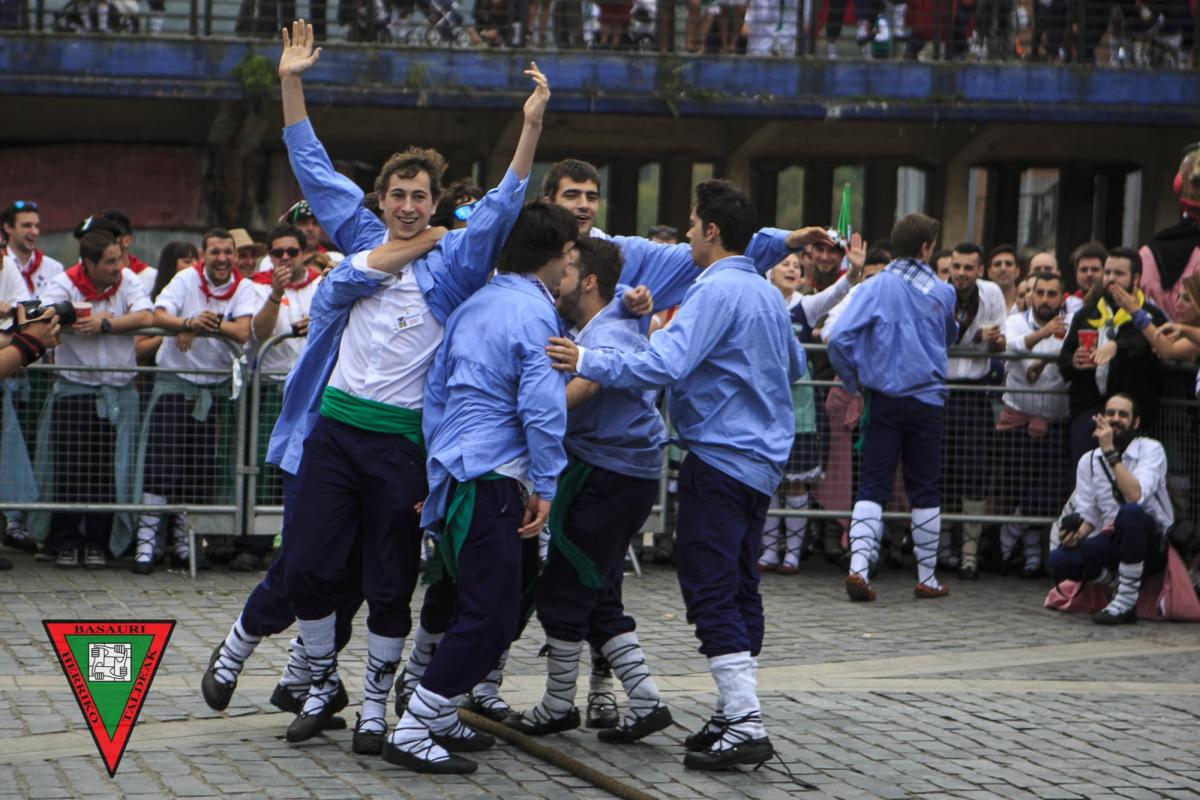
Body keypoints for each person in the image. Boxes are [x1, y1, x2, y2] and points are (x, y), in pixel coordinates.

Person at [261, 20, 550, 754]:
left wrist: (530, 127)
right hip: (333, 431)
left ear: (434, 201)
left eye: (421, 196)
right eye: (398, 195)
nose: (409, 206)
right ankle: (319, 678)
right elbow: (313, 167)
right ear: (382, 200)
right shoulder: (362, 241)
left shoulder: (456, 265)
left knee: (390, 583)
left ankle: (375, 709)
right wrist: (290, 81)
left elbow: (502, 207)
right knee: (308, 565)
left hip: (402, 444)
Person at [547, 180, 805, 771]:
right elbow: (792, 366)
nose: (687, 236)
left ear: (711, 231)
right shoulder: (764, 290)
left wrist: (586, 358)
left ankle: (745, 721)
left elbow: (665, 364)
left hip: (720, 458)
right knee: (739, 585)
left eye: (691, 226)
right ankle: (734, 710)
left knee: (711, 587)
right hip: (759, 460)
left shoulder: (714, 288)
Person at [383, 202, 576, 775]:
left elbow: (436, 395)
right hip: (495, 477)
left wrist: (437, 472)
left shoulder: (476, 303)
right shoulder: (535, 313)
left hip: (464, 471)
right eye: (569, 254)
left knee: (482, 605)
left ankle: (439, 714)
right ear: (556, 255)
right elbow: (542, 407)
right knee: (490, 615)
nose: (570, 265)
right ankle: (416, 724)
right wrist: (547, 482)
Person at [505, 237, 672, 744]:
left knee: (566, 588)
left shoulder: (610, 333)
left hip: (612, 477)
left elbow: (590, 383)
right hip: (611, 472)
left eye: (567, 270)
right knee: (595, 591)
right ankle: (645, 700)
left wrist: (524, 416)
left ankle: (559, 704)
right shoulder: (596, 323)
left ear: (590, 280)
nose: (557, 279)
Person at [826, 213, 957, 602]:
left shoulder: (874, 286)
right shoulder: (943, 291)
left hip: (883, 399)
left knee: (873, 484)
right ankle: (927, 577)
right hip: (927, 401)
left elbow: (838, 338)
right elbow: (949, 335)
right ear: (926, 248)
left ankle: (858, 569)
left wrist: (854, 379)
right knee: (924, 487)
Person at [135, 229, 257, 574]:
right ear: (203, 255)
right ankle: (146, 543)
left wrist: (205, 324)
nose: (222, 259)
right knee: (160, 465)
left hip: (213, 390)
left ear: (235, 256)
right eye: (215, 252)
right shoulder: (186, 278)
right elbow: (159, 316)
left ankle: (184, 543)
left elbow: (242, 331)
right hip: (175, 384)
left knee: (197, 470)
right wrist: (187, 322)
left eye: (228, 252)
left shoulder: (244, 287)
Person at [35, 230, 154, 569]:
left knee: (107, 472)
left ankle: (98, 543)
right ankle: (65, 541)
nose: (118, 267)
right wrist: (69, 317)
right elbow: (43, 314)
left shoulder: (128, 280)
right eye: (110, 261)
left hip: (117, 392)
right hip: (74, 390)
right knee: (69, 469)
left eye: (119, 259)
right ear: (88, 263)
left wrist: (106, 323)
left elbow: (147, 317)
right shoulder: (64, 283)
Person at [757, 238, 866, 574]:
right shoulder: (759, 301)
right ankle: (768, 550)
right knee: (768, 480)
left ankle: (792, 553)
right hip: (764, 398)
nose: (791, 268)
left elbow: (835, 294)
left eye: (796, 265)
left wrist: (854, 272)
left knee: (795, 480)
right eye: (784, 264)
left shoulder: (805, 306)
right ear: (770, 271)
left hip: (800, 402)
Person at [1048, 394, 1173, 624]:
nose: (1115, 419)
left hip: (1151, 543)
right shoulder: (1088, 460)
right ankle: (1117, 582)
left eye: (1123, 415)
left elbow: (1135, 496)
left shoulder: (1151, 449)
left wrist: (1110, 452)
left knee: (1130, 513)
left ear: (1135, 422)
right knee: (1059, 559)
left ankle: (1126, 602)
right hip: (1113, 538)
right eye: (1110, 413)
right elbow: (1089, 517)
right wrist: (1075, 536)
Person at [1058, 247, 1168, 471]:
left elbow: (1146, 346)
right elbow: (1064, 362)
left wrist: (1117, 346)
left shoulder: (1150, 315)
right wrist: (1074, 362)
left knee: (1130, 479)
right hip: (1089, 413)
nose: (1110, 279)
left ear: (1135, 278)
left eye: (1118, 274)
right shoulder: (1086, 313)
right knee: (1085, 475)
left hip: (1134, 418)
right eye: (1107, 272)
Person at [995, 271, 1070, 580]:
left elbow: (1068, 355)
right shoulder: (1015, 321)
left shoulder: (1071, 324)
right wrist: (1043, 336)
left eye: (1052, 294)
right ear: (1031, 295)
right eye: (1040, 293)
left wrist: (1046, 353)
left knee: (1051, 487)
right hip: (1018, 419)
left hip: (1056, 421)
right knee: (1021, 487)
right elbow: (1017, 355)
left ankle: (1012, 530)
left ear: (1061, 298)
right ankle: (1030, 558)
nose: (1045, 300)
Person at [943, 242, 1006, 577]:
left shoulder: (992, 293)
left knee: (975, 471)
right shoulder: (938, 293)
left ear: (980, 270)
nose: (962, 273)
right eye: (957, 266)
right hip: (941, 391)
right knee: (938, 470)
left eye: (969, 267)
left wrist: (994, 341)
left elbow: (1002, 340)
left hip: (974, 391)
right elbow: (935, 338)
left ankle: (969, 553)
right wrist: (975, 338)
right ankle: (939, 548)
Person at [1, 200, 64, 298]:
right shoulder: (3, 266)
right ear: (8, 227)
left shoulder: (55, 269)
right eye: (27, 226)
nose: (35, 232)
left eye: (37, 226)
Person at [100, 210, 157, 296]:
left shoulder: (151, 277)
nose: (101, 241)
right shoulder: (91, 276)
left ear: (126, 241)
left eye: (109, 235)